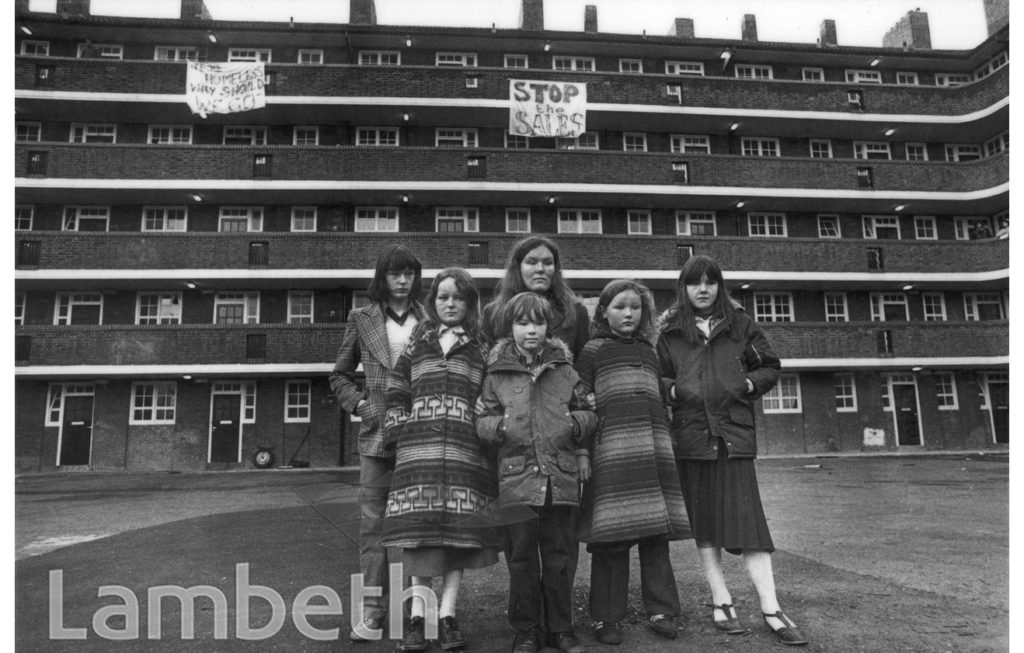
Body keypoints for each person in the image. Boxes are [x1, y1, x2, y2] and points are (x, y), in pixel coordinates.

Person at [656, 254, 808, 647]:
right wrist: (672, 390)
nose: (702, 289)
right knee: (705, 527)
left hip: (733, 439)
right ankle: (720, 601)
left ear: (719, 285)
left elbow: (770, 366)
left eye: (710, 282)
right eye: (694, 283)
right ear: (684, 288)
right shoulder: (670, 331)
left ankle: (771, 608)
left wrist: (747, 385)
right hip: (692, 439)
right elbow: (658, 376)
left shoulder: (741, 325)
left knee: (750, 528)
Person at [381, 268, 499, 652]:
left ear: (470, 304)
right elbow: (396, 391)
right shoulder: (419, 344)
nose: (451, 304)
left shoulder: (482, 349)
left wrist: (484, 414)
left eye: (459, 298)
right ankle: (418, 617)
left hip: (467, 458)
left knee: (457, 542)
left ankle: (447, 616)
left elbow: (492, 397)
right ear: (433, 302)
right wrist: (403, 429)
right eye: (444, 297)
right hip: (420, 458)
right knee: (420, 541)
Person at [476, 292, 599, 653]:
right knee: (522, 559)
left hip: (560, 480)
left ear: (548, 327)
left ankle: (560, 629)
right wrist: (499, 428)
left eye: (538, 322)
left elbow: (590, 412)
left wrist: (571, 425)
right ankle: (527, 630)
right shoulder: (496, 376)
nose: (531, 330)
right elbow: (480, 419)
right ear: (509, 327)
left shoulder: (566, 371)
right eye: (522, 322)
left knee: (559, 558)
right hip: (516, 481)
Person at [574, 279, 690, 646]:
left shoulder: (649, 350)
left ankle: (662, 609)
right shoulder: (592, 351)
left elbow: (661, 393)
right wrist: (583, 446)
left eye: (636, 307)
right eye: (620, 306)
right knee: (611, 535)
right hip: (611, 453)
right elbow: (578, 400)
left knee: (655, 533)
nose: (628, 313)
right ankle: (606, 617)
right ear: (604, 310)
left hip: (652, 450)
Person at [329, 244, 424, 641]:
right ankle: (373, 611)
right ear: (382, 278)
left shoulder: (431, 318)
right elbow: (338, 375)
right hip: (376, 438)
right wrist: (362, 405)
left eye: (409, 274)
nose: (403, 281)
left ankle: (420, 611)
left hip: (422, 437)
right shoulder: (361, 317)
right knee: (373, 529)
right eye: (394, 274)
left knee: (422, 526)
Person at [483, 236, 591, 359]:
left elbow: (583, 369)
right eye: (531, 262)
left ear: (555, 269)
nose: (540, 269)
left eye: (548, 263)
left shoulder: (576, 312)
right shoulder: (493, 312)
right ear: (518, 267)